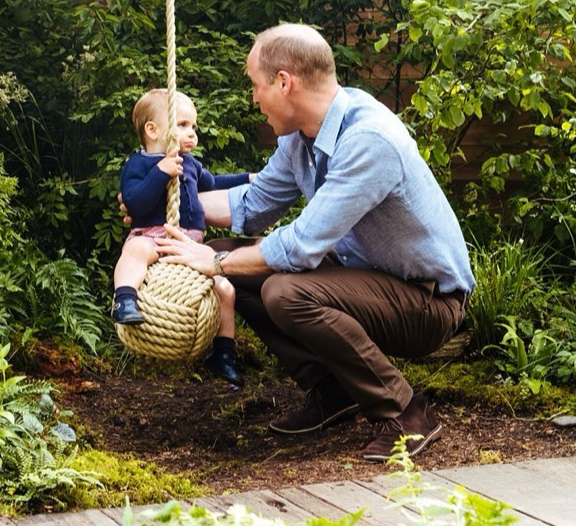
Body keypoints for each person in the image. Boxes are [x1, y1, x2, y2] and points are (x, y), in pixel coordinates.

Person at [153, 24, 476, 462]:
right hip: (367, 281)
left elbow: (302, 245)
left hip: (428, 302)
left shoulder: (369, 140)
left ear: (284, 82)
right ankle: (333, 389)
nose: (254, 98)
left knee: (283, 290)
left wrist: (218, 263)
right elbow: (253, 203)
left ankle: (407, 413)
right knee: (234, 255)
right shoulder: (300, 138)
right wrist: (158, 205)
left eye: (256, 85)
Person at [113, 88, 252, 387]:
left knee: (224, 289)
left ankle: (224, 354)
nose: (192, 134)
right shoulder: (138, 165)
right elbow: (135, 203)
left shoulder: (190, 163)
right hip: (153, 237)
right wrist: (161, 172)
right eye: (183, 125)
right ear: (153, 130)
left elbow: (214, 184)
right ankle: (124, 299)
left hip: (190, 245)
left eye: (194, 127)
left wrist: (249, 178)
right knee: (135, 249)